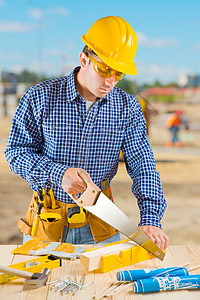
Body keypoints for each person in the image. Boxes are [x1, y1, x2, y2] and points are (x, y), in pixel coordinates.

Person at [5, 16, 169, 250]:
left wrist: (151, 219)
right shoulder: (39, 97)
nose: (110, 81)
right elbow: (16, 153)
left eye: (119, 73)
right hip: (46, 225)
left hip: (102, 226)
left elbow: (143, 165)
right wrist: (58, 174)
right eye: (105, 69)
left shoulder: (128, 108)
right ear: (84, 59)